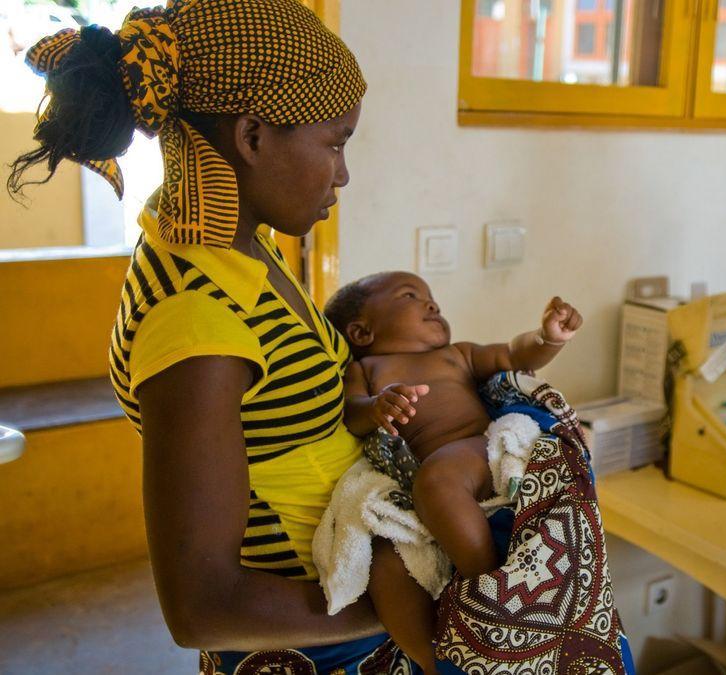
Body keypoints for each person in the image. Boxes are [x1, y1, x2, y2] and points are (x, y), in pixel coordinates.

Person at [5, 1, 421, 672]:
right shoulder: (197, 323)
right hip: (322, 649)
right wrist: (427, 603)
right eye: (335, 142)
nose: (343, 173)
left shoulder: (238, 248)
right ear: (253, 137)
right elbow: (203, 606)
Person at [321, 271, 582, 671]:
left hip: (476, 451)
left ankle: (494, 598)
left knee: (438, 482)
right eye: (411, 295)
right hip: (420, 478)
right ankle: (436, 661)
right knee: (385, 561)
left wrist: (546, 339)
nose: (433, 305)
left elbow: (515, 355)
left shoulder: (456, 354)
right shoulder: (368, 370)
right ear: (361, 331)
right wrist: (375, 407)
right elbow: (352, 413)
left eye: (433, 299)